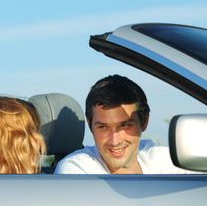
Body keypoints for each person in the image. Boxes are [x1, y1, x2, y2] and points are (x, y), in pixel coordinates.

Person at [55, 75, 191, 174]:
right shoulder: (77, 170)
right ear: (90, 125)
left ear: (144, 122)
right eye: (103, 127)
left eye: (125, 126)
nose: (114, 141)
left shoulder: (163, 160)